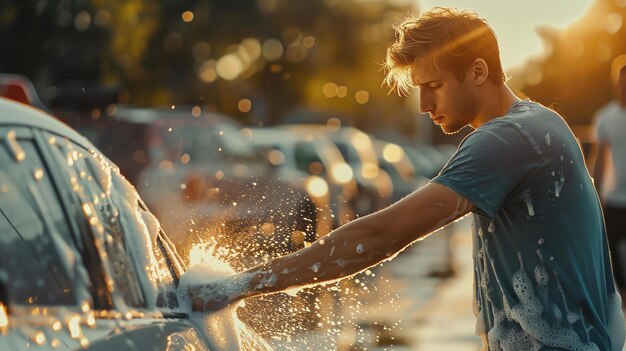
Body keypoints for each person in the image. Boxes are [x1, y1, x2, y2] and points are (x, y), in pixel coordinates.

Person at [190, 8, 626, 350]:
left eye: (433, 85)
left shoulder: (507, 139)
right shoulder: (539, 123)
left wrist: (240, 286)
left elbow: (384, 233)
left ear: (477, 71)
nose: (423, 105)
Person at [590, 62, 626, 296]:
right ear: (616, 83)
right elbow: (599, 159)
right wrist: (596, 196)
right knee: (612, 255)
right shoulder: (605, 117)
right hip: (613, 199)